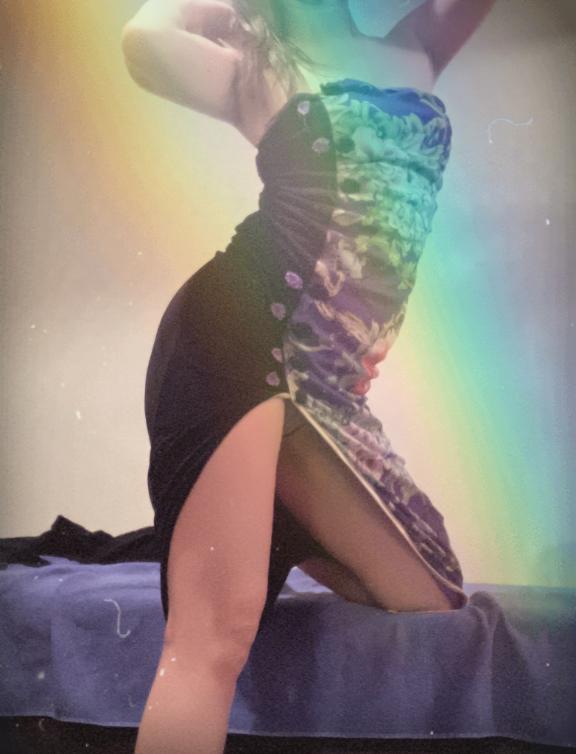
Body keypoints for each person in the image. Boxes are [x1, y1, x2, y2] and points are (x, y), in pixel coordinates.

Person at [121, 1, 496, 752]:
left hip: (329, 386)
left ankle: (276, 511)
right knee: (213, 638)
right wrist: (214, 9)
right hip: (241, 337)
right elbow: (142, 42)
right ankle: (249, 512)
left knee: (430, 590)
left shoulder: (419, 45)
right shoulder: (256, 67)